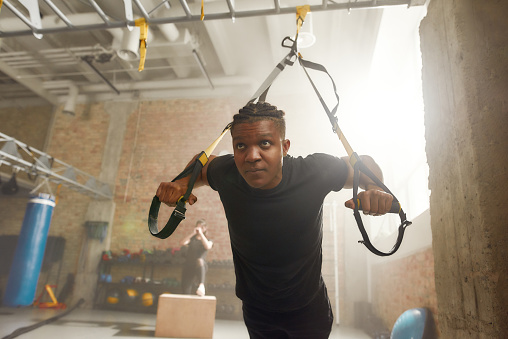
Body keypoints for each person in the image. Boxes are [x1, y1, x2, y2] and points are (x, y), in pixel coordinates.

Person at [156, 101, 394, 339]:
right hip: (257, 310)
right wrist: (180, 184)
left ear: (284, 147)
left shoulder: (312, 172)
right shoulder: (228, 173)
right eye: (240, 146)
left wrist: (375, 189)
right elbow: (203, 162)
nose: (251, 156)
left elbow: (365, 164)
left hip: (309, 309)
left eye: (265, 143)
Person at [179, 219, 213, 296]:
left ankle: (201, 285)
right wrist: (192, 233)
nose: (199, 228)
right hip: (189, 266)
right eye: (197, 227)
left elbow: (207, 246)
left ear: (205, 228)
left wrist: (201, 234)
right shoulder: (192, 239)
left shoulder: (209, 240)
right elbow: (182, 243)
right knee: (185, 290)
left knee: (199, 260)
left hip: (200, 267)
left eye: (201, 227)